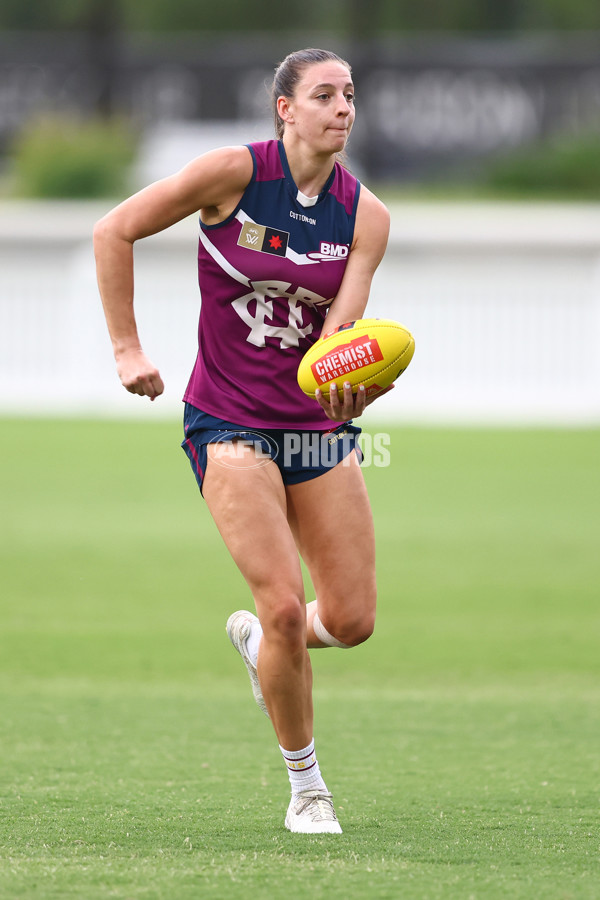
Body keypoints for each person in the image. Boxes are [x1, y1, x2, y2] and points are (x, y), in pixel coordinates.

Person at [94, 48, 391, 834]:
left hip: (312, 429)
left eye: (351, 95)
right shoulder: (232, 174)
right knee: (289, 608)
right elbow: (113, 230)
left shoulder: (366, 217)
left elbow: (338, 341)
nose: (343, 108)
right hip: (227, 421)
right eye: (325, 94)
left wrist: (356, 382)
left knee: (353, 619)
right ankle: (307, 787)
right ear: (285, 109)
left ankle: (262, 645)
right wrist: (128, 348)